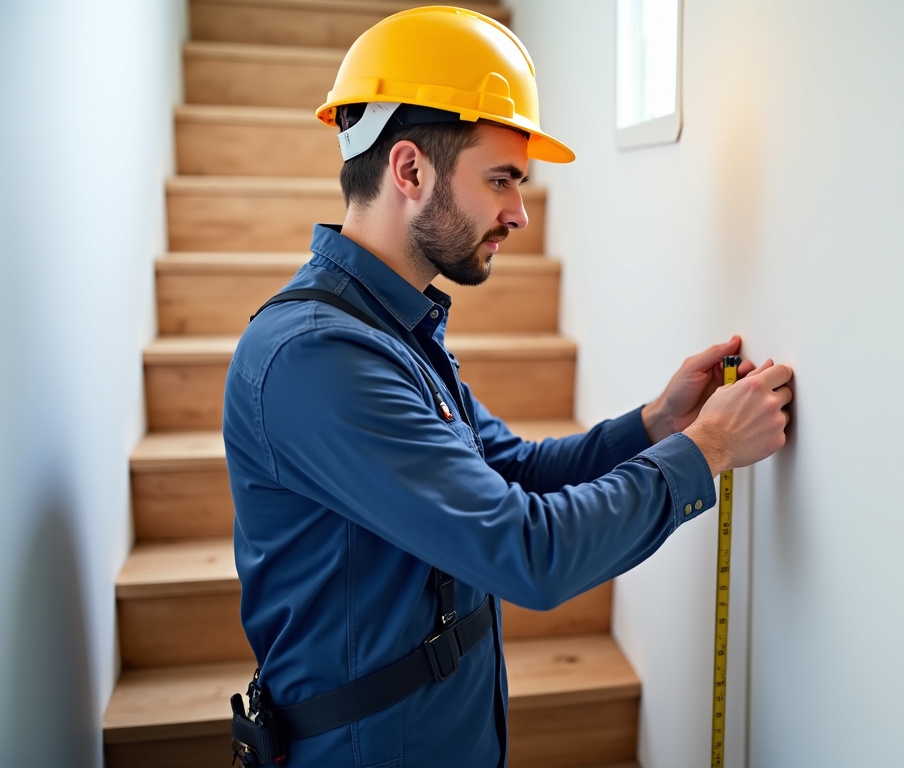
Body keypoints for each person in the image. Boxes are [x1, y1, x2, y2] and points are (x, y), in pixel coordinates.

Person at [222, 7, 792, 767]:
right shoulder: (318, 360)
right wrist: (708, 449)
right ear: (409, 170)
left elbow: (510, 472)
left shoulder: (392, 328)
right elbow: (530, 551)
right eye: (501, 180)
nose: (520, 213)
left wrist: (655, 424)